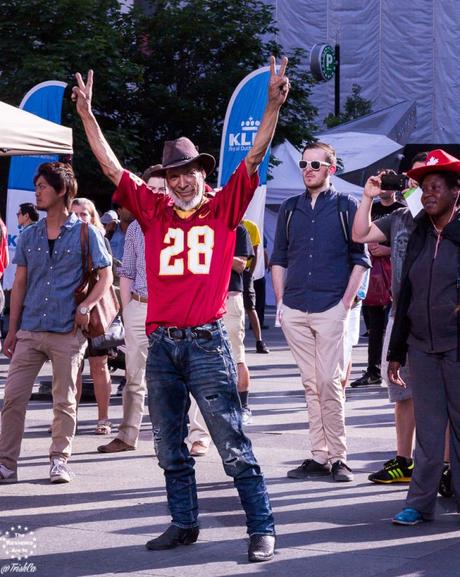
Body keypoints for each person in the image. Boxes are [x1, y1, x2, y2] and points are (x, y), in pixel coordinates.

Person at [73, 57, 289, 562]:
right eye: (174, 174)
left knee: (232, 442)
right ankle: (184, 522)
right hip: (162, 342)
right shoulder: (151, 210)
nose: (182, 181)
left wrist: (272, 106)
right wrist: (87, 116)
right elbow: (109, 166)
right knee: (169, 443)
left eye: (189, 171)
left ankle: (261, 527)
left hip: (207, 341)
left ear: (201, 172)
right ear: (165, 179)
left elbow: (254, 158)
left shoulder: (223, 206)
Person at [0, 162, 112, 484]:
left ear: (61, 191)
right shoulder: (29, 234)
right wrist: (12, 330)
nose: (37, 191)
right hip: (30, 329)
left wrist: (89, 305)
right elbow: (19, 283)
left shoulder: (85, 232)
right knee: (13, 398)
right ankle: (7, 464)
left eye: (42, 187)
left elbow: (106, 276)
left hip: (67, 329)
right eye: (36, 186)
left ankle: (60, 460)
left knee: (64, 400)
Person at [271, 141, 370, 482]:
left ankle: (340, 456)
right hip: (296, 306)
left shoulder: (347, 205)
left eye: (315, 164)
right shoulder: (289, 208)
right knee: (311, 383)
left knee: (331, 382)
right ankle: (319, 455)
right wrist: (281, 301)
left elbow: (362, 259)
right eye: (303, 164)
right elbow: (279, 258)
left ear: (331, 168)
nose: (308, 169)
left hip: (332, 306)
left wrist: (345, 303)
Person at [98, 166, 211, 455]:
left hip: (175, 313)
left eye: (164, 188)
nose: (159, 193)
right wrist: (126, 310)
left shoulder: (186, 223)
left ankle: (198, 436)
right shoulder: (136, 227)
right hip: (140, 307)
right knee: (134, 376)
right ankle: (127, 434)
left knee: (189, 375)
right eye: (153, 189)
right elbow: (128, 272)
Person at [383, 149, 460, 525]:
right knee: (429, 430)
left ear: (454, 192)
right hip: (421, 347)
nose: (427, 194)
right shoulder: (417, 235)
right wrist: (396, 352)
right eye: (423, 188)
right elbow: (405, 294)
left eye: (434, 187)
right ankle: (420, 503)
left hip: (457, 347)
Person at [352, 152, 427, 484]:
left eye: (425, 180)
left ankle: (443, 466)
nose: (418, 185)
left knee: (439, 394)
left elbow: (429, 220)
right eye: (413, 178)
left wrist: (416, 195)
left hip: (436, 316)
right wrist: (367, 198)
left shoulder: (446, 217)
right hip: (400, 315)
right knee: (402, 392)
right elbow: (360, 235)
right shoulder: (398, 217)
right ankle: (404, 461)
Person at [351, 172, 405, 388]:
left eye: (389, 184)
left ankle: (396, 367)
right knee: (374, 326)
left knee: (393, 324)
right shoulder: (371, 208)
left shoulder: (403, 210)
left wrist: (387, 249)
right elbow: (359, 234)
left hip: (397, 274)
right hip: (372, 274)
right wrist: (367, 197)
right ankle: (373, 369)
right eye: (382, 183)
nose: (384, 188)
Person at [71, 197, 114, 435]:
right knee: (72, 368)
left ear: (92, 216)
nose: (79, 219)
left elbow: (107, 278)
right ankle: (70, 418)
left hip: (94, 311)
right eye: (75, 214)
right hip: (69, 311)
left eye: (84, 214)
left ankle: (103, 418)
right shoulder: (64, 238)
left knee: (99, 365)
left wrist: (88, 305)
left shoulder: (100, 239)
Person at [222, 224, 254, 425]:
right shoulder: (204, 226)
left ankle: (243, 406)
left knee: (236, 355)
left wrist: (214, 249)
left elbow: (241, 264)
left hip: (230, 297)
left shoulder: (238, 230)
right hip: (205, 298)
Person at [241, 219, 269, 354]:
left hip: (244, 271)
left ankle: (259, 341)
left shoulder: (251, 226)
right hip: (227, 271)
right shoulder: (225, 223)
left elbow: (256, 251)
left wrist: (250, 274)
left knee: (250, 307)